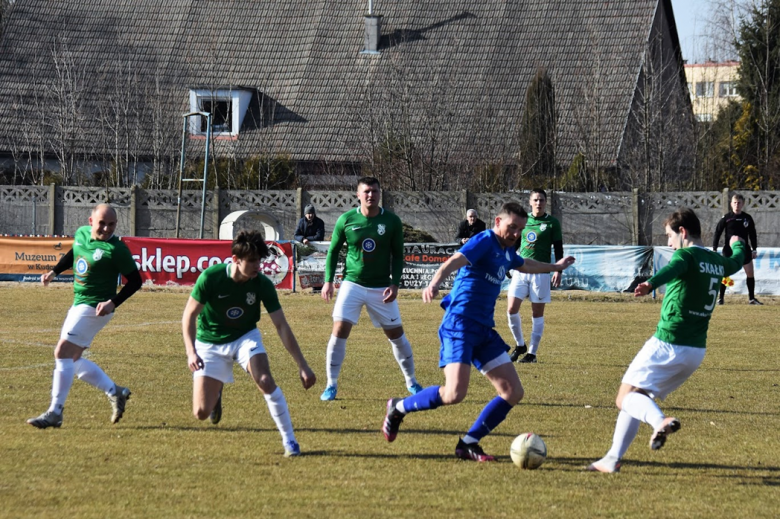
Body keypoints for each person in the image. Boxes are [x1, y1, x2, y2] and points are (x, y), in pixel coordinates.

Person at [382, 203, 575, 461]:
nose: (515, 233)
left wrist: (556, 267)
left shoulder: (507, 251)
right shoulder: (485, 240)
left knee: (513, 392)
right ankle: (398, 407)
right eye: (511, 227)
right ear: (498, 222)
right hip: (459, 324)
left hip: (483, 329)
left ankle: (469, 443)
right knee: (454, 394)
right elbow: (455, 260)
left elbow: (524, 264)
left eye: (519, 229)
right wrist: (435, 282)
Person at [588, 208, 746, 473]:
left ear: (682, 232)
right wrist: (738, 243)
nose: (668, 243)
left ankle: (660, 421)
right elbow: (737, 260)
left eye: (669, 237)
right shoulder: (717, 261)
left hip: (668, 342)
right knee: (639, 396)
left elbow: (673, 269)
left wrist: (650, 283)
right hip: (695, 350)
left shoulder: (685, 254)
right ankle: (612, 459)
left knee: (623, 398)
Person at [182, 231, 316, 457]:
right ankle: (216, 395)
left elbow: (281, 325)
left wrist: (302, 365)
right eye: (252, 261)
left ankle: (289, 440)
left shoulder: (262, 284)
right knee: (201, 413)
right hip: (210, 342)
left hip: (245, 337)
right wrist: (191, 352)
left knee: (264, 380)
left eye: (259, 260)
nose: (258, 266)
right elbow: (189, 316)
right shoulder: (211, 277)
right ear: (235, 259)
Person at [27, 204, 142, 429]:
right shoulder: (81, 234)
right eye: (102, 223)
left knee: (62, 352)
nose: (107, 228)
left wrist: (113, 302)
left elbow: (136, 281)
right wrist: (54, 271)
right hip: (79, 303)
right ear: (91, 222)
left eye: (112, 224)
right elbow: (74, 254)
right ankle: (115, 392)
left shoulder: (117, 249)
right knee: (73, 359)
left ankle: (55, 413)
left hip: (95, 308)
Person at [320, 176, 422, 401]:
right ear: (358, 194)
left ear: (379, 194)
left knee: (396, 335)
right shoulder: (346, 220)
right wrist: (328, 280)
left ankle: (412, 381)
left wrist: (395, 283)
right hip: (352, 284)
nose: (371, 195)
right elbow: (333, 251)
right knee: (339, 330)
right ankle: (331, 385)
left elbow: (398, 255)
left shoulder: (392, 221)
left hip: (381, 288)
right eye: (366, 191)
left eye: (375, 191)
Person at [506, 189, 563, 364]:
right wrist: (507, 261)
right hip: (520, 270)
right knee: (511, 309)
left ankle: (532, 353)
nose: (539, 203)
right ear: (530, 202)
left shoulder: (552, 223)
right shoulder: (524, 220)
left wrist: (558, 270)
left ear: (546, 202)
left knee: (536, 313)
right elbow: (515, 243)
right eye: (536, 200)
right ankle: (520, 345)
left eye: (542, 200)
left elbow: (559, 248)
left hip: (541, 273)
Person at [712, 193, 761, 305]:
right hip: (729, 250)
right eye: (735, 203)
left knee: (750, 273)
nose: (737, 205)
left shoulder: (747, 218)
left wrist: (754, 249)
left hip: (745, 249)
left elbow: (752, 234)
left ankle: (751, 299)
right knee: (725, 273)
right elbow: (717, 232)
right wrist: (714, 248)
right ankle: (721, 298)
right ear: (731, 204)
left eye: (739, 203)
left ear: (743, 204)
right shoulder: (727, 218)